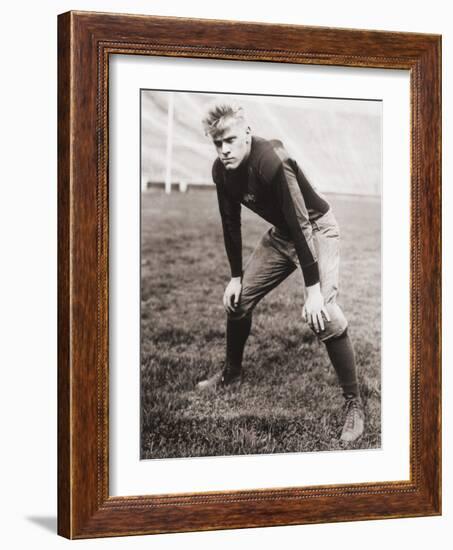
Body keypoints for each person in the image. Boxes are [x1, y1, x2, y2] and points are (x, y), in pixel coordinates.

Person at [196, 99, 364, 443]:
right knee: (238, 301)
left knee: (326, 314)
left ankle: (355, 403)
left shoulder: (272, 160)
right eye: (217, 143)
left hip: (316, 228)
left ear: (247, 132)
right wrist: (235, 277)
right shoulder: (221, 171)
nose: (224, 150)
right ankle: (232, 372)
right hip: (284, 233)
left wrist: (313, 289)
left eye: (229, 140)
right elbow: (231, 223)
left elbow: (303, 223)